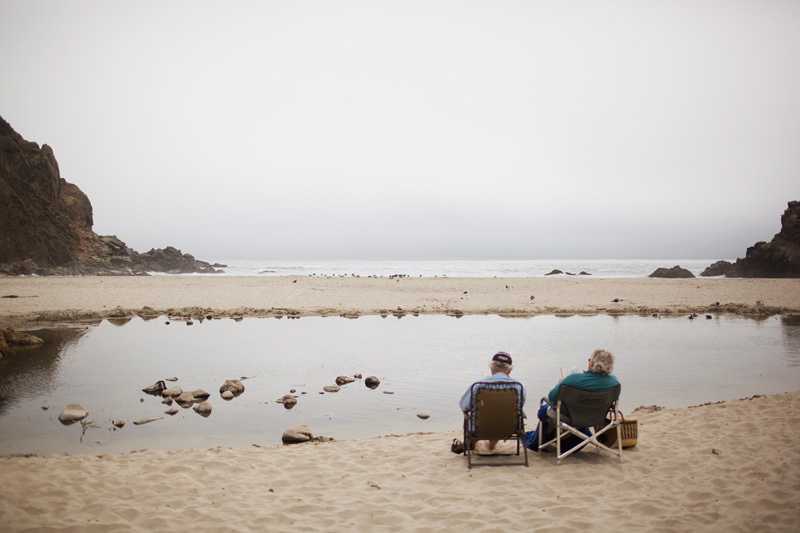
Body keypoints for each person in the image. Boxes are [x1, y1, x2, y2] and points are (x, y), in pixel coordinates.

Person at [525, 348, 620, 451]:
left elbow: (552, 398)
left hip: (569, 418)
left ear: (592, 364)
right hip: (595, 419)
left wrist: (561, 384)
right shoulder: (614, 383)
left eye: (589, 360)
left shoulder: (573, 379)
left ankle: (541, 441)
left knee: (544, 409)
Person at [459, 351, 527, 451]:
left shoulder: (478, 385)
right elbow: (520, 405)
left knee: (475, 416)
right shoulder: (518, 386)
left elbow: (464, 406)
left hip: (479, 427)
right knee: (501, 415)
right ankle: (492, 445)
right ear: (510, 370)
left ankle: (472, 443)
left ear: (491, 368)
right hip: (508, 427)